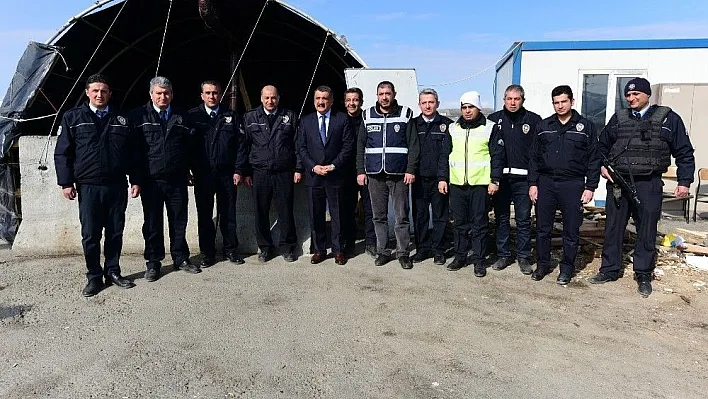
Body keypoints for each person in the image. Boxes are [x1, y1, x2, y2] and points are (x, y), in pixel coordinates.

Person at [590, 78, 695, 297]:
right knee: (613, 227)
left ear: (647, 95)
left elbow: (684, 152)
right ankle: (609, 269)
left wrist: (684, 182)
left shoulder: (668, 118)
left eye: (636, 94)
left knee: (646, 230)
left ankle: (643, 273)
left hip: (649, 182)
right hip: (619, 182)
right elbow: (601, 146)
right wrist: (602, 166)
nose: (631, 98)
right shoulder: (619, 118)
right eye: (628, 95)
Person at [54, 74, 142, 297]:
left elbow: (133, 153)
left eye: (104, 91)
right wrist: (66, 182)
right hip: (88, 186)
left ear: (110, 93)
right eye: (95, 91)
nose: (100, 95)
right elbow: (63, 152)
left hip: (116, 186)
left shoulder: (122, 118)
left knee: (115, 232)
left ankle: (112, 271)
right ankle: (94, 277)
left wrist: (136, 179)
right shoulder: (73, 117)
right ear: (87, 92)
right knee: (91, 235)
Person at [130, 76, 201, 282]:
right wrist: (136, 180)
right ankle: (153, 263)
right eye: (159, 93)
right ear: (151, 94)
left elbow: (190, 148)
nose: (163, 96)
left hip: (177, 180)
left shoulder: (181, 116)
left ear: (172, 94)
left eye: (166, 93)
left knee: (179, 221)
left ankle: (181, 258)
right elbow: (135, 152)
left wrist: (189, 170)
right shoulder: (139, 116)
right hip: (151, 181)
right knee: (152, 224)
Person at [528, 85, 600, 285]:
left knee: (571, 230)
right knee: (543, 228)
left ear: (572, 101)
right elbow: (533, 157)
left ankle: (566, 268)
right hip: (546, 183)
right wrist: (533, 184)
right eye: (556, 102)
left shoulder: (585, 126)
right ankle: (542, 265)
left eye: (563, 102)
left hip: (573, 184)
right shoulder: (544, 126)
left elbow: (594, 159)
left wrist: (590, 186)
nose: (560, 106)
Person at [356, 81, 419, 269]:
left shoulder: (405, 114)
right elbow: (360, 146)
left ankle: (402, 253)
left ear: (394, 94)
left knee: (401, 216)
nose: (384, 97)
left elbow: (413, 145)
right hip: (375, 174)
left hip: (399, 174)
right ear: (377, 95)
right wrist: (361, 171)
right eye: (381, 93)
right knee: (378, 216)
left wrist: (410, 169)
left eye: (388, 93)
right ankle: (382, 251)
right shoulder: (367, 115)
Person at [186, 80, 248, 267]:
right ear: (202, 95)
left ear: (221, 95)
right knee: (204, 215)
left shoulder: (231, 116)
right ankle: (208, 253)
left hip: (227, 174)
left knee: (228, 213)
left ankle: (230, 250)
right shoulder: (193, 116)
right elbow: (186, 146)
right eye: (208, 93)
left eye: (215, 93)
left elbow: (241, 146)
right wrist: (187, 169)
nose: (212, 96)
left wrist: (239, 170)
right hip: (202, 175)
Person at [446, 91, 505, 276]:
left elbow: (498, 156)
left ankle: (479, 261)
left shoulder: (490, 128)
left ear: (478, 108)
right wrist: (442, 178)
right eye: (464, 107)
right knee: (459, 224)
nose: (467, 111)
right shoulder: (453, 129)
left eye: (471, 107)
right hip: (457, 183)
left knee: (479, 224)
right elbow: (444, 155)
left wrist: (495, 180)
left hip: (480, 184)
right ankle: (460, 256)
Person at [243, 85, 302, 263]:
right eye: (267, 98)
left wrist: (298, 168)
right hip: (259, 172)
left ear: (278, 98)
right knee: (260, 212)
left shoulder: (289, 117)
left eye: (273, 98)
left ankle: (288, 247)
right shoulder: (250, 117)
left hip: (283, 171)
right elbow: (244, 146)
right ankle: (265, 248)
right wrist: (245, 171)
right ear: (261, 98)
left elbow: (297, 145)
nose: (270, 101)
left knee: (285, 211)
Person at [297, 85, 355, 265]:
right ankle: (320, 250)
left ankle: (339, 250)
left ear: (331, 100)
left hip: (335, 176)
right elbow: (301, 147)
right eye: (318, 99)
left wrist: (334, 165)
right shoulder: (305, 121)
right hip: (314, 176)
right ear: (314, 100)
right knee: (316, 214)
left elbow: (348, 147)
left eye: (325, 98)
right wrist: (313, 166)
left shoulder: (342, 119)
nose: (321, 102)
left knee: (337, 215)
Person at [488, 85, 542, 274]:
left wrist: (534, 181)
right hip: (501, 180)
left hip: (523, 181)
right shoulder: (494, 120)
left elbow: (537, 154)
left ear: (523, 100)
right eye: (509, 99)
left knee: (523, 220)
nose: (512, 102)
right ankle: (503, 255)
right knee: (501, 218)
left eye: (516, 99)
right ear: (504, 99)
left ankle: (524, 257)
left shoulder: (534, 121)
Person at [410, 88, 453, 265]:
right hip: (419, 179)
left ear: (437, 103)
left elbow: (448, 153)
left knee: (440, 216)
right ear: (419, 105)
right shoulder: (413, 125)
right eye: (424, 102)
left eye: (431, 102)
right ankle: (422, 249)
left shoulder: (447, 125)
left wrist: (443, 177)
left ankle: (439, 250)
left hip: (439, 179)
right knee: (420, 215)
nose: (428, 106)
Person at [342, 87, 377, 258]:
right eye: (348, 100)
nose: (352, 103)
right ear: (344, 102)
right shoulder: (339, 120)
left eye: (355, 100)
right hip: (346, 172)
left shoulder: (368, 119)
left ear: (361, 102)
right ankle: (349, 243)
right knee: (347, 209)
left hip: (367, 170)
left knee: (370, 208)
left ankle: (371, 242)